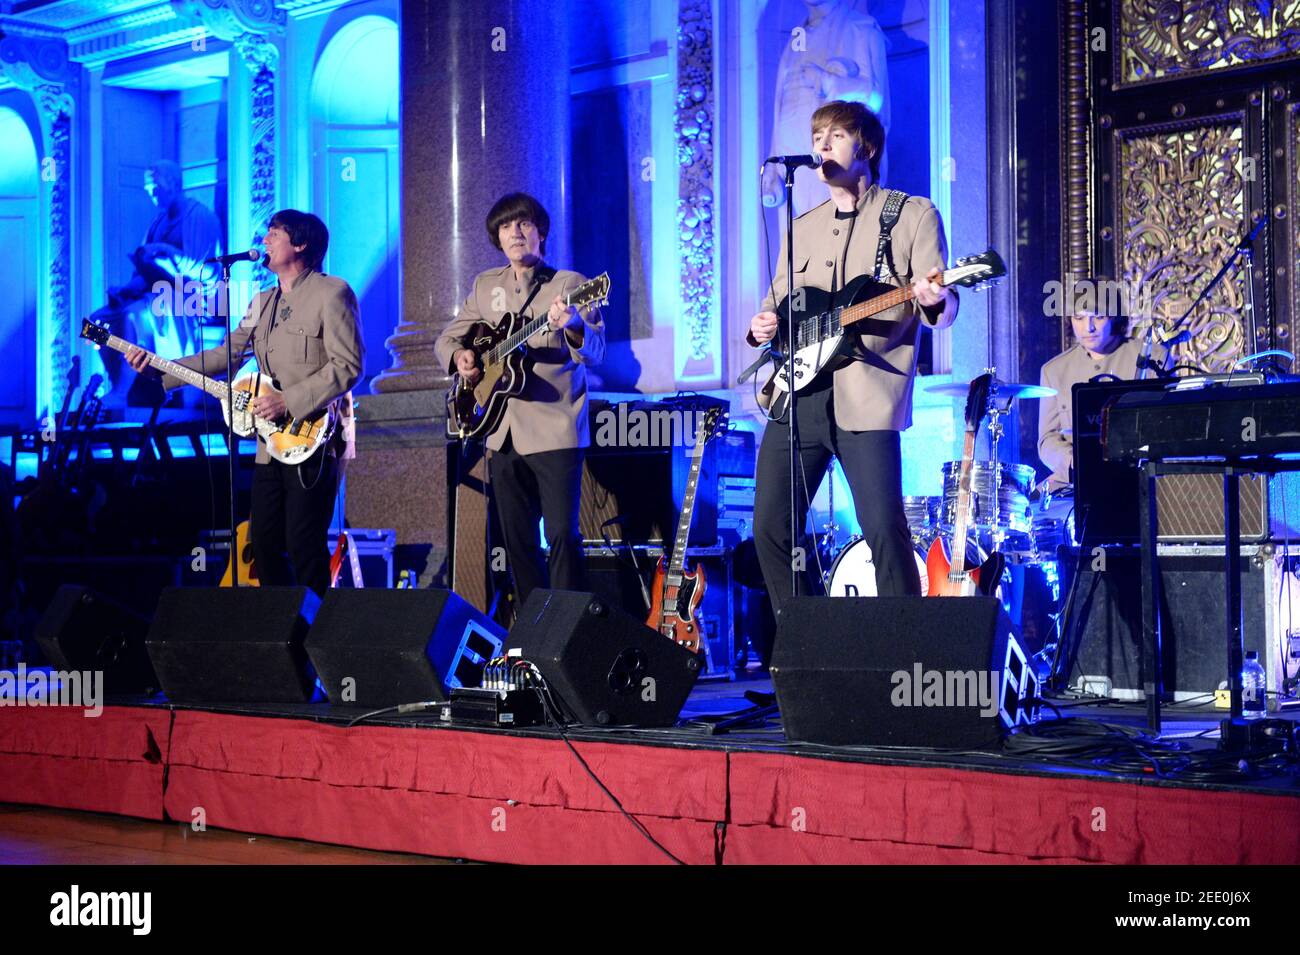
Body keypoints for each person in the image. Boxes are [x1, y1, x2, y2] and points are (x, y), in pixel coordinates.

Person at [748, 100, 957, 607]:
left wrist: (935, 298)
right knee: (771, 530)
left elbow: (946, 306)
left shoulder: (911, 214)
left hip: (868, 394)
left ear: (867, 146)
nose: (821, 145)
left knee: (884, 529)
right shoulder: (803, 225)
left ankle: (906, 653)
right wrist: (762, 327)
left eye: (836, 135)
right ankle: (813, 647)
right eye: (817, 134)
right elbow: (777, 302)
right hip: (799, 396)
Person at [125, 210, 363, 596]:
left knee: (304, 544)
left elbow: (349, 366)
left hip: (316, 438)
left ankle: (316, 639)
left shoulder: (332, 293)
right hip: (270, 442)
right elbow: (225, 355)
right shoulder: (262, 302)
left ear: (301, 245)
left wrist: (290, 401)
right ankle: (281, 635)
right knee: (263, 544)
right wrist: (158, 368)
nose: (264, 240)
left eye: (274, 233)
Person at [435, 192, 605, 607]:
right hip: (501, 431)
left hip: (554, 427)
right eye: (507, 226)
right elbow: (447, 339)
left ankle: (569, 629)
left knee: (563, 535)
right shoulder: (485, 285)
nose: (515, 232)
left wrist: (574, 325)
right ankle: (532, 632)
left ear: (540, 233)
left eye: (524, 224)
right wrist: (461, 358)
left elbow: (597, 351)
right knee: (518, 542)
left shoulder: (570, 284)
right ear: (497, 237)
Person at [98, 160, 222, 400]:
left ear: (174, 184)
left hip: (192, 297)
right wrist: (125, 290)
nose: (150, 193)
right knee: (98, 321)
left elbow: (207, 271)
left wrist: (168, 252)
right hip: (155, 292)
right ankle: (121, 381)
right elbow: (143, 270)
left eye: (155, 186)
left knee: (132, 314)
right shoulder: (158, 222)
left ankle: (125, 390)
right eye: (148, 188)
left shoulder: (200, 216)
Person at [1038, 288, 1163, 490]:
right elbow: (1047, 440)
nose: (1089, 328)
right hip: (1076, 480)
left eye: (1098, 317)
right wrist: (1073, 462)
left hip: (1142, 479)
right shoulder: (1053, 370)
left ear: (1115, 317)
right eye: (1079, 317)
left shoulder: (1153, 357)